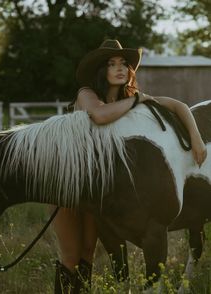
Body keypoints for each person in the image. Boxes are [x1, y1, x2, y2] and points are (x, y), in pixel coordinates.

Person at [54, 39, 207, 293]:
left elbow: (178, 105)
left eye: (124, 63)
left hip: (99, 188)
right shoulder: (86, 94)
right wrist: (138, 101)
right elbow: (101, 115)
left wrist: (196, 137)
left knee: (88, 253)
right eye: (112, 64)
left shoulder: (131, 99)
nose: (120, 68)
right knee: (70, 255)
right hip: (69, 182)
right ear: (100, 71)